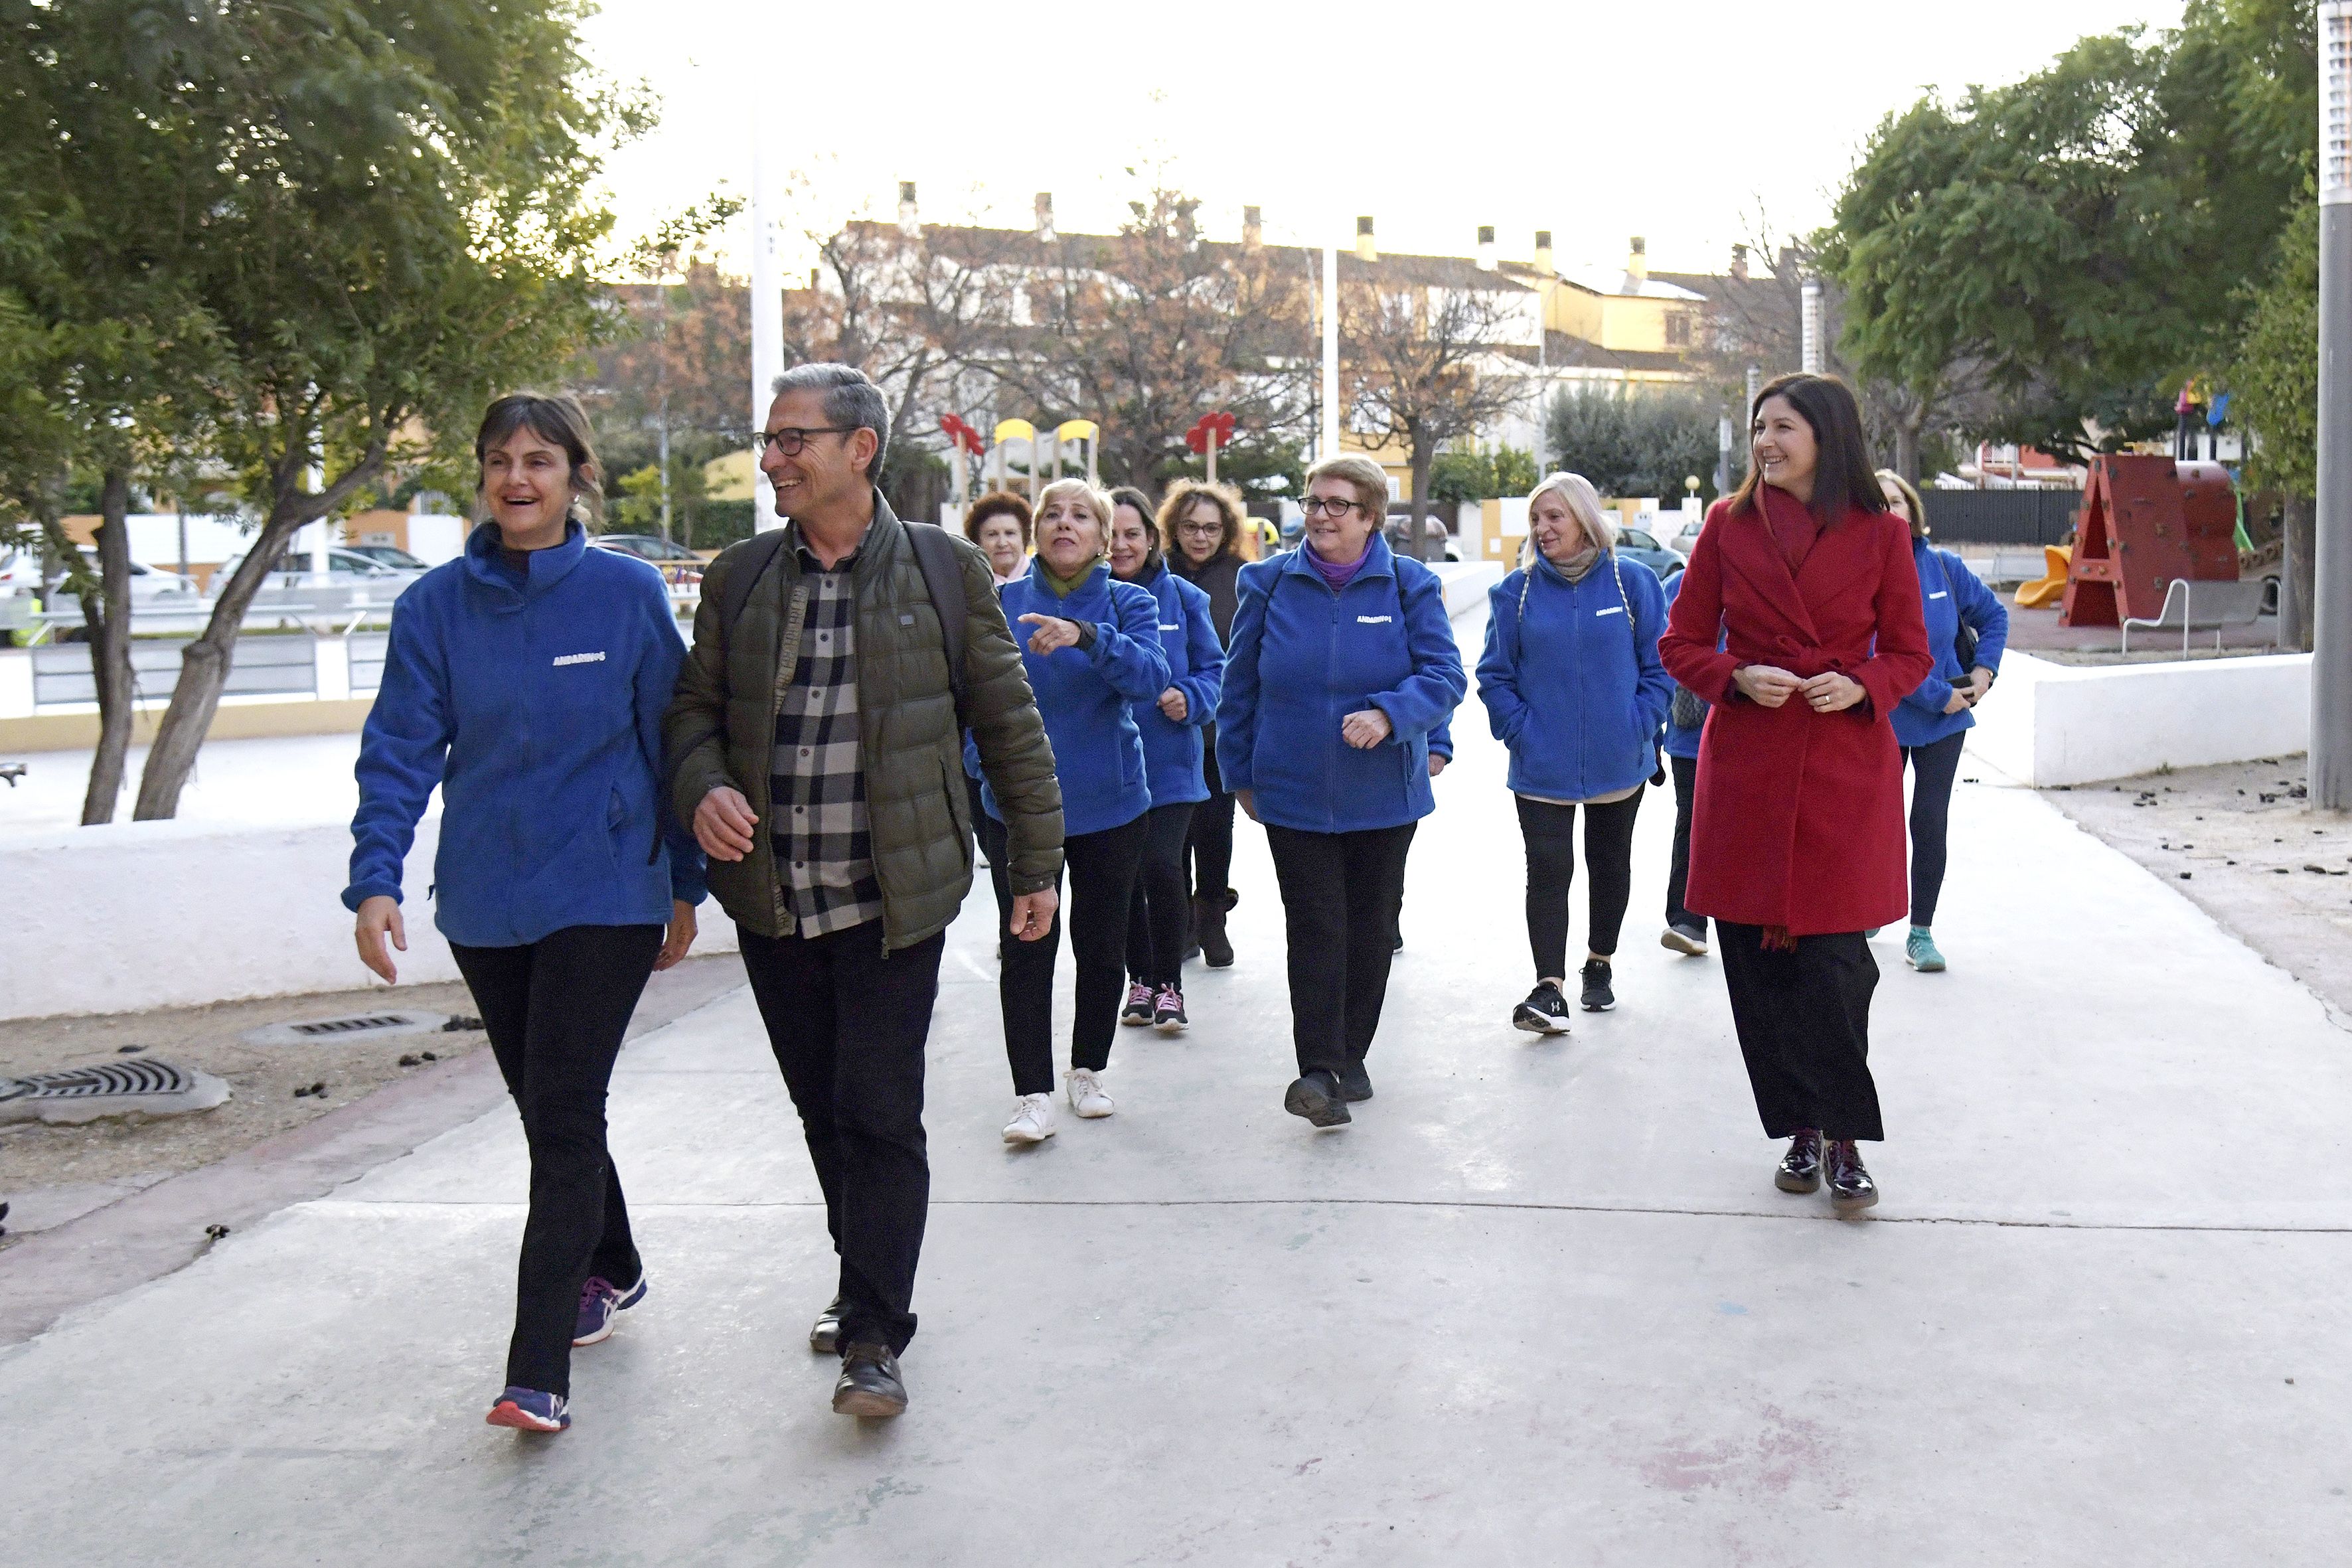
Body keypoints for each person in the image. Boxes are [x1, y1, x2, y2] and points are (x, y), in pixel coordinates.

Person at [666, 363, 1063, 1420]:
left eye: (793, 439)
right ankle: (861, 1280)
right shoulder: (742, 575)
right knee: (821, 1109)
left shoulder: (946, 570)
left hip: (898, 896)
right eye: (770, 439)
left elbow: (1008, 724)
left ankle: (877, 1333)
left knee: (879, 1109)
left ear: (860, 449)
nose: (771, 459)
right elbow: (690, 713)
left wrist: (1037, 864)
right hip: (774, 899)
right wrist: (702, 784)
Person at [345, 393, 706, 1436]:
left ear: (575, 475)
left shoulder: (627, 595)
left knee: (558, 1109)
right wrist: (376, 878)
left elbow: (676, 741)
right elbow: (399, 751)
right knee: (557, 1105)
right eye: (499, 460)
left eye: (539, 460)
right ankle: (617, 1258)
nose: (517, 478)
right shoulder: (432, 610)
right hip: (487, 902)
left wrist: (684, 882)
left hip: (606, 891)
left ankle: (534, 1368)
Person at [1659, 372, 1930, 1217]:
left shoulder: (1882, 534)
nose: (1765, 443)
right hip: (1750, 766)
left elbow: (1913, 653)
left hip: (1845, 771)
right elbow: (1680, 642)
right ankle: (1801, 1129)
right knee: (1759, 969)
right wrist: (1737, 675)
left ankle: (1844, 1134)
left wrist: (1860, 685)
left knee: (1838, 967)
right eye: (1758, 429)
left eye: (1782, 427)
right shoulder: (1726, 527)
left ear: (1827, 436)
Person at [1217, 454, 1466, 1128]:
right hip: (1291, 791)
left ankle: (1351, 1054)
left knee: (1370, 928)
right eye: (1313, 502)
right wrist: (1238, 772)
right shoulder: (1266, 584)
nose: (1319, 515)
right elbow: (1238, 687)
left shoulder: (1409, 585)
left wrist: (1391, 713)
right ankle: (1320, 1069)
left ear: (1370, 517)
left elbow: (1446, 675)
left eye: (1336, 504)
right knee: (1316, 927)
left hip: (1384, 794)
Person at [982, 477, 1169, 1142]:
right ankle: (1030, 1092)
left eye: (1081, 516)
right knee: (1026, 945)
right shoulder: (1000, 601)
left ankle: (1087, 1068)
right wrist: (987, 778)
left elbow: (1152, 678)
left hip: (1110, 803)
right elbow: (970, 696)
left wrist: (1087, 636)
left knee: (1101, 942)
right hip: (1020, 808)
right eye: (1052, 515)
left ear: (1104, 536)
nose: (1065, 524)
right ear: (1036, 532)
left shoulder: (1130, 601)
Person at [1476, 472, 1672, 1034]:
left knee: (1608, 862)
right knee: (1548, 869)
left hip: (1620, 757)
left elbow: (1659, 668)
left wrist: (1639, 723)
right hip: (1540, 761)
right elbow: (1493, 675)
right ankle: (1548, 987)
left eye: (1553, 517)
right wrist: (1520, 731)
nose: (1541, 529)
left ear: (1585, 518)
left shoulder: (1631, 583)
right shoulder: (1514, 593)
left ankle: (1599, 962)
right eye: (1536, 520)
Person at [1878, 469, 2007, 974]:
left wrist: (1983, 672)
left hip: (1943, 724)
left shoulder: (1944, 568)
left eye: (1896, 501)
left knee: (1928, 822)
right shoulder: (1858, 573)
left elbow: (1994, 615)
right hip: (1886, 716)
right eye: (1878, 502)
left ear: (1911, 511)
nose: (1888, 510)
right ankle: (1870, 909)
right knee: (1876, 824)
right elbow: (1873, 654)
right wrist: (1938, 696)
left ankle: (1920, 932)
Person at [1107, 485, 1223, 1030]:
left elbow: (1214, 672)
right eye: (1110, 535)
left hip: (1173, 762)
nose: (1120, 545)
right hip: (1111, 764)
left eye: (1132, 534)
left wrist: (1191, 698)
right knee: (1126, 876)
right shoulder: (1088, 600)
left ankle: (1170, 984)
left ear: (1152, 539)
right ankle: (1140, 981)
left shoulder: (1182, 598)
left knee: (1162, 865)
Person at [1161, 479, 1247, 967]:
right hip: (1167, 725)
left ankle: (1211, 914)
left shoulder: (1242, 578)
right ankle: (1176, 923)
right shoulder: (1155, 575)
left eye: (1211, 528)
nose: (1200, 537)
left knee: (1215, 826)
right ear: (1174, 529)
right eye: (1190, 527)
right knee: (1173, 832)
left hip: (1220, 728)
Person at [1659, 567, 1713, 957]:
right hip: (1691, 735)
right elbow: (1657, 657)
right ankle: (1688, 920)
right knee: (1692, 820)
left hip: (1758, 731)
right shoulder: (1679, 585)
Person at [963, 489, 1032, 587]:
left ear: (1024, 538)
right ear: (977, 541)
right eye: (992, 535)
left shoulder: (1045, 581)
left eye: (1010, 533)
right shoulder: (966, 586)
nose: (1002, 543)